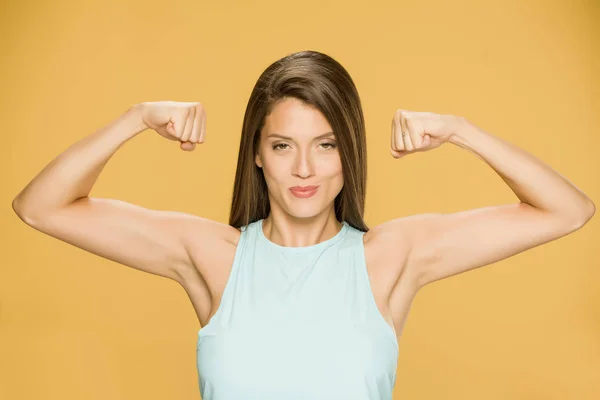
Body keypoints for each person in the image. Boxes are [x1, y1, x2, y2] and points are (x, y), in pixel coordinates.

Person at [11, 50, 595, 399]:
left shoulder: (391, 257)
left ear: (351, 153)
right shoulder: (213, 256)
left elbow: (567, 210)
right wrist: (134, 119)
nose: (306, 169)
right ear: (257, 154)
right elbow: (41, 206)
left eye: (327, 144)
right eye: (284, 145)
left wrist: (460, 130)